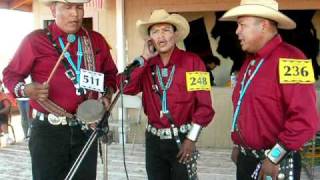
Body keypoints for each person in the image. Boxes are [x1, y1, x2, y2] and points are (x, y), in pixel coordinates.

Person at [2, 0, 118, 179]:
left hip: (86, 129)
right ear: (53, 9)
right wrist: (25, 90)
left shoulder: (95, 40)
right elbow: (10, 75)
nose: (75, 14)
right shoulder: (35, 40)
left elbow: (111, 74)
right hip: (48, 131)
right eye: (68, 7)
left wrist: (107, 94)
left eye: (79, 7)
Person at [220, 0, 319, 179]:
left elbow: (305, 120)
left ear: (263, 25)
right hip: (245, 159)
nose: (237, 31)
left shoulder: (292, 59)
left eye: (242, 25)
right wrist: (239, 145)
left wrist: (274, 158)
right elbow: (247, 109)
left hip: (275, 164)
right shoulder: (249, 61)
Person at [119, 9, 214, 180]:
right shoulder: (145, 65)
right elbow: (124, 87)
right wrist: (143, 58)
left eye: (166, 30)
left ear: (175, 34)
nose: (161, 36)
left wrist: (191, 139)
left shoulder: (193, 62)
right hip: (153, 140)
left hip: (182, 138)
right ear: (150, 39)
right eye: (155, 31)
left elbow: (205, 106)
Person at [0, 81, 14, 146]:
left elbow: (7, 108)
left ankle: (7, 137)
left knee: (1, 116)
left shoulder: (3, 95)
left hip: (2, 116)